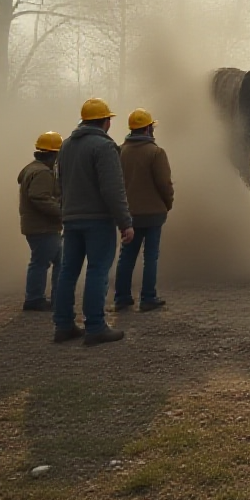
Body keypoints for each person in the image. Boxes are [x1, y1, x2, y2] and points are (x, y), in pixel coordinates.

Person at [53, 98, 133, 346]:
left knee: (68, 271)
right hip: (97, 219)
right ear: (105, 121)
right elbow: (113, 189)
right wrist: (125, 222)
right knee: (97, 270)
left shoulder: (66, 146)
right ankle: (95, 327)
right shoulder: (103, 147)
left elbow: (60, 183)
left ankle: (63, 325)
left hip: (71, 218)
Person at [115, 108, 174, 312]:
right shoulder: (156, 152)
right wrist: (168, 203)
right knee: (150, 256)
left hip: (128, 214)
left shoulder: (119, 151)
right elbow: (164, 183)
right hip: (153, 214)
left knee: (126, 256)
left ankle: (122, 297)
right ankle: (148, 297)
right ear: (148, 129)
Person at [18, 131, 64, 311]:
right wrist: (61, 212)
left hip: (37, 226)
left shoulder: (32, 168)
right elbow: (39, 198)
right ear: (53, 154)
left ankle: (52, 297)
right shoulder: (43, 173)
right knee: (42, 262)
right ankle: (35, 299)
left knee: (51, 261)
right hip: (43, 227)